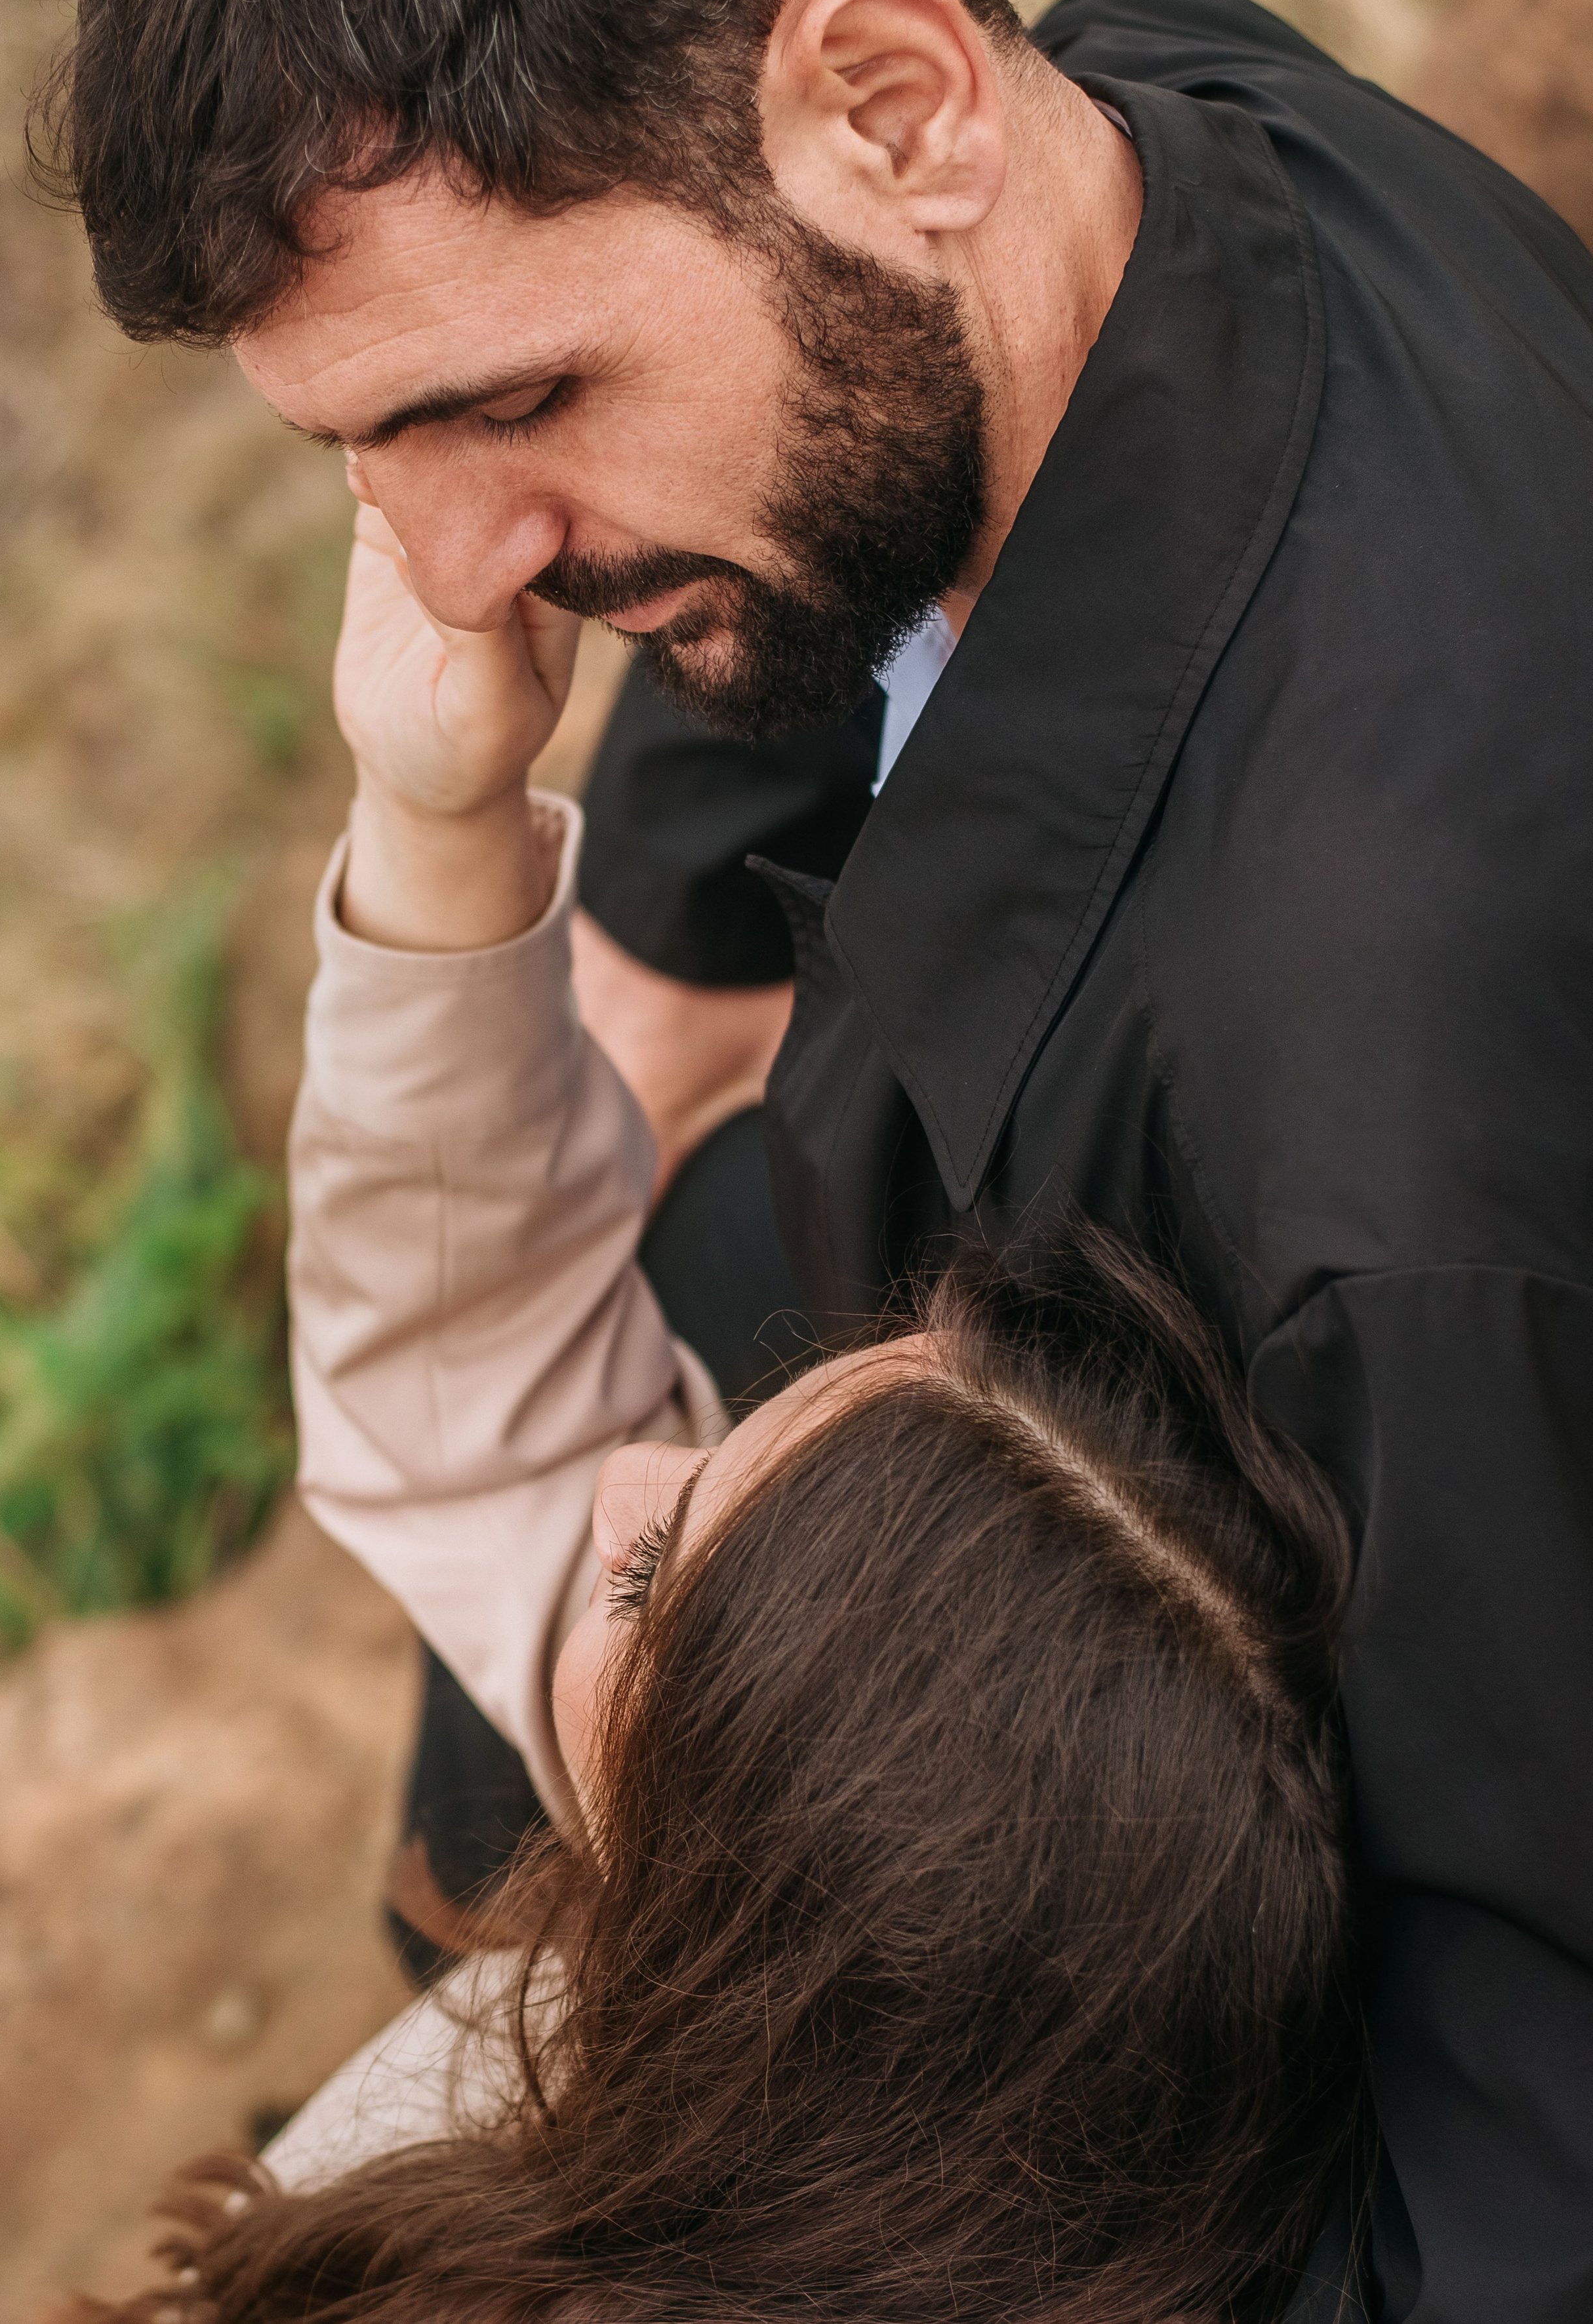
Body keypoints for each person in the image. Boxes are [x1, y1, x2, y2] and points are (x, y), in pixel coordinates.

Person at [39, 0, 1593, 2315]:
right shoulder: (1168, 119)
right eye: (357, 453)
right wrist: (601, 886)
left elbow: (1515, 2199)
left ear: (893, 107)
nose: (453, 577)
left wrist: (755, 2185)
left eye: (514, 396)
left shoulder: (1366, 1185)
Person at [70, 523, 1360, 2319]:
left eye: (652, 1573)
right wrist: (441, 814)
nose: (619, 1472)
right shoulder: (849, 2129)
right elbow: (500, 1419)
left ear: (740, 1928)